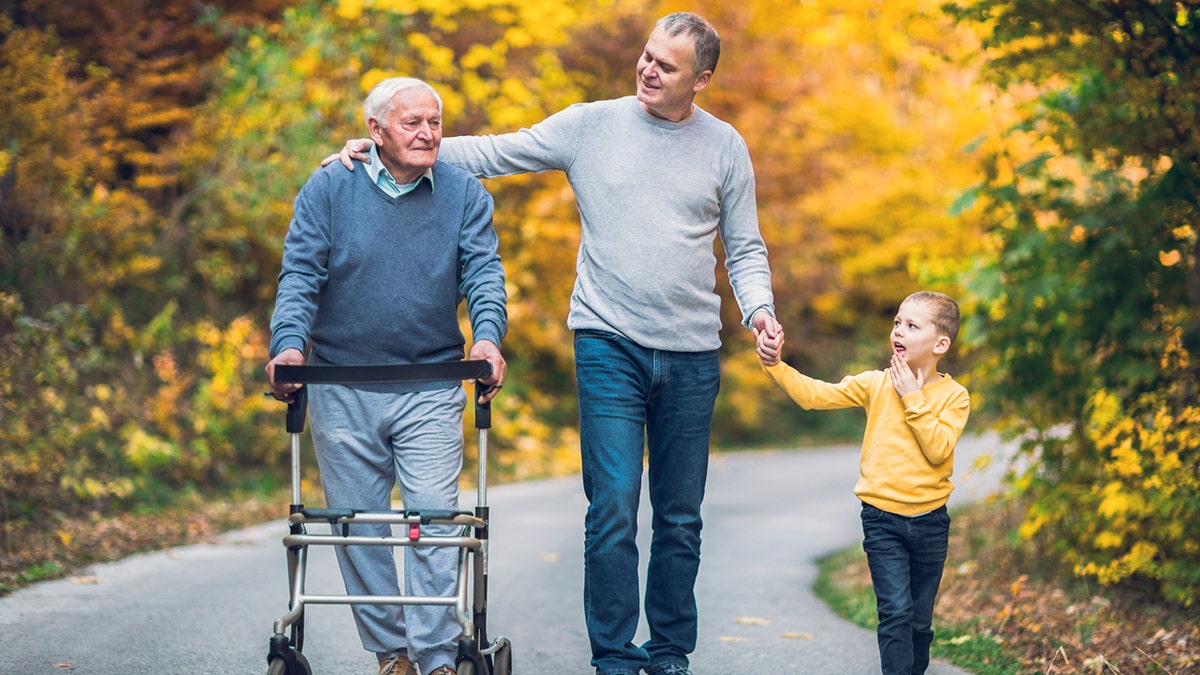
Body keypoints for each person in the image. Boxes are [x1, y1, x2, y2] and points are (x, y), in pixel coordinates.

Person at [325, 12, 780, 675]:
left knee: (680, 515)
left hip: (692, 352)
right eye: (646, 56)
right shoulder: (592, 125)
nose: (648, 70)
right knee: (614, 505)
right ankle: (616, 656)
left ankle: (670, 649)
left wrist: (760, 311)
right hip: (607, 343)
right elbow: (492, 151)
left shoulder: (724, 146)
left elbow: (743, 246)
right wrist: (382, 147)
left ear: (701, 79)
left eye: (667, 65)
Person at [266, 77, 507, 675]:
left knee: (433, 520)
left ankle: (435, 659)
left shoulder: (464, 193)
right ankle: (392, 655)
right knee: (359, 528)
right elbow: (299, 275)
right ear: (375, 132)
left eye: (436, 121)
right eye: (412, 123)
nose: (428, 133)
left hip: (430, 382)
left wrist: (487, 337)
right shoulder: (328, 187)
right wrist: (288, 346)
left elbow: (483, 274)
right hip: (340, 385)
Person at [755, 291, 970, 675]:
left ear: (940, 344)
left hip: (930, 523)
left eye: (911, 325)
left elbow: (938, 449)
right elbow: (816, 396)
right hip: (881, 520)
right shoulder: (875, 384)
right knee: (895, 613)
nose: (898, 331)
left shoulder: (955, 397)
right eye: (897, 323)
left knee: (919, 620)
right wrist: (776, 365)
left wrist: (913, 397)